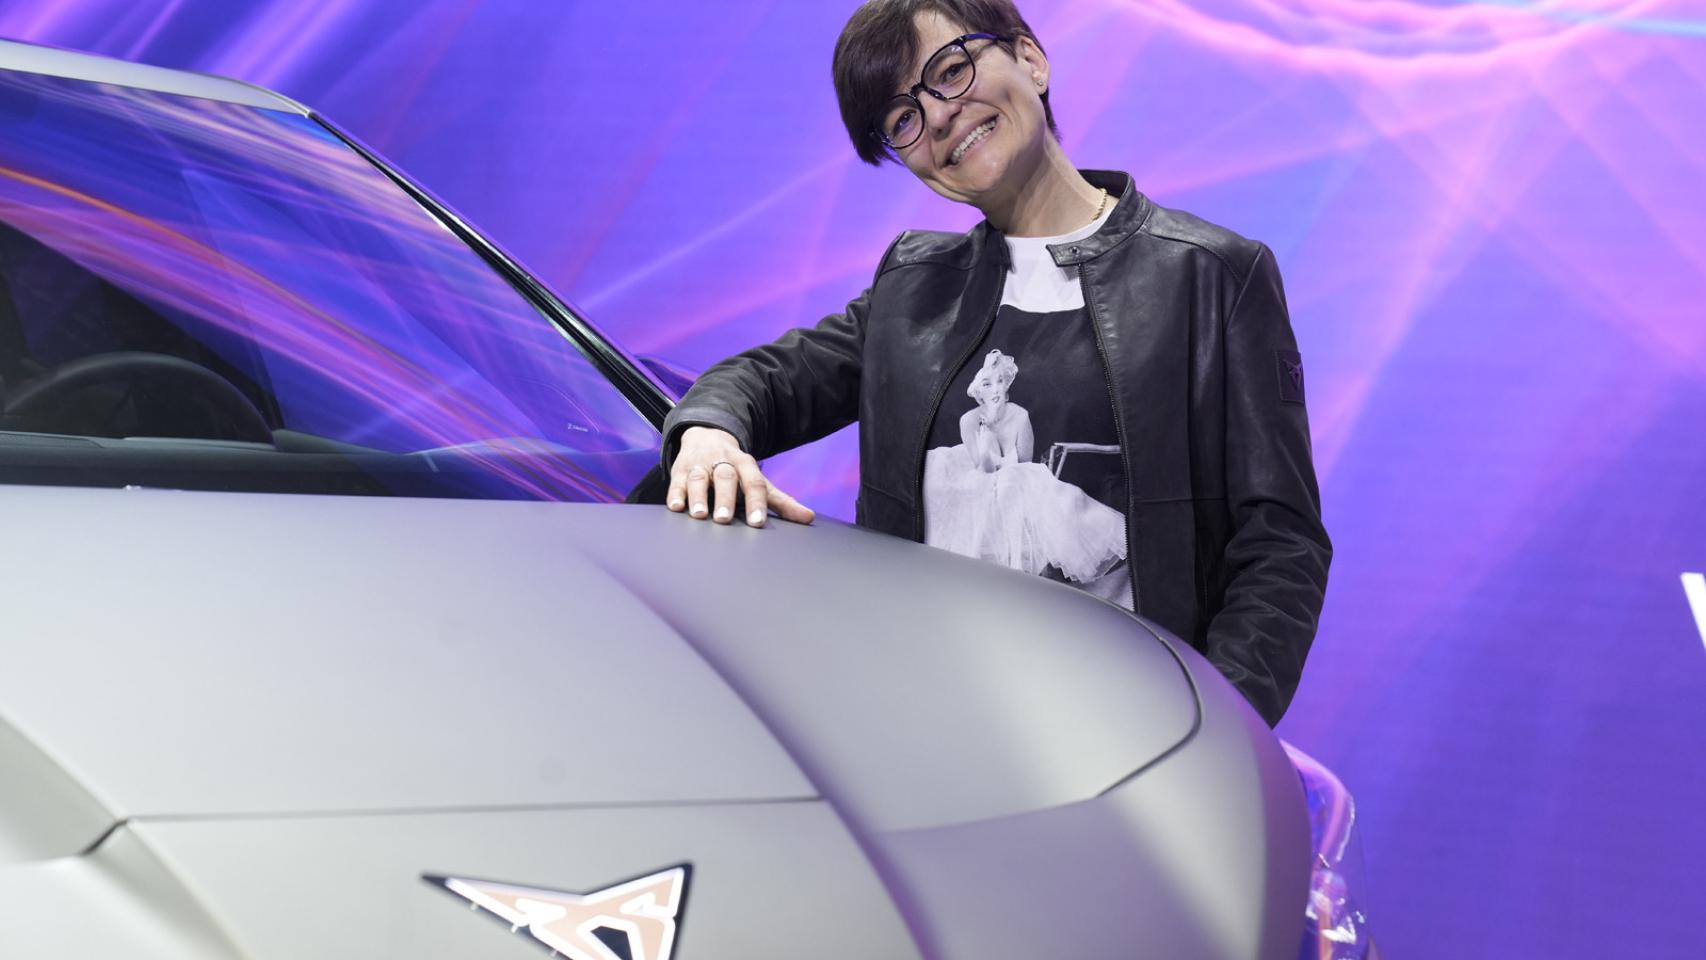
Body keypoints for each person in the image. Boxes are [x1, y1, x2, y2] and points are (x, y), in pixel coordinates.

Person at [659, 0, 1330, 726]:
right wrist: (708, 432)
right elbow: (768, 379)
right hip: (923, 725)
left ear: (1031, 60)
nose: (939, 117)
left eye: (950, 71)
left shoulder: (1211, 275)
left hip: (1124, 733)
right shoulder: (913, 286)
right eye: (903, 118)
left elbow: (1279, 544)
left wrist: (1218, 734)